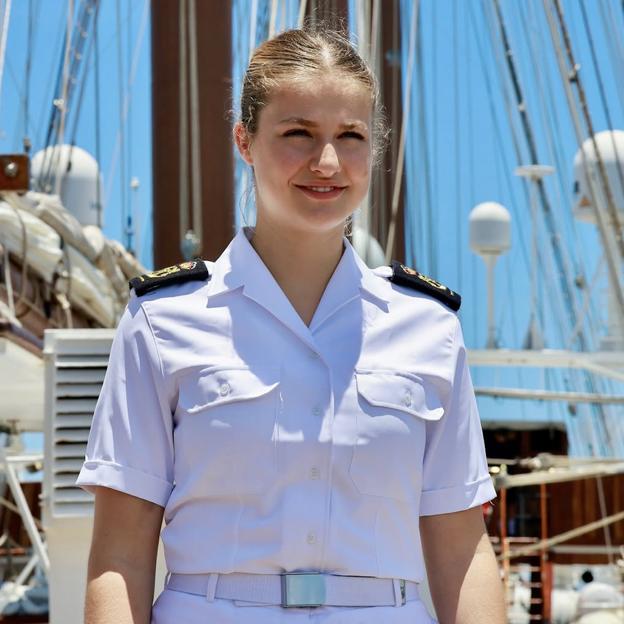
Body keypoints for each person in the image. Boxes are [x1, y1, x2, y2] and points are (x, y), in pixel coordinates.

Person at [78, 26, 506, 624]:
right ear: (244, 141)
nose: (326, 161)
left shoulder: (428, 326)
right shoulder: (162, 319)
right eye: (298, 133)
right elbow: (120, 554)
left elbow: (461, 548)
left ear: (373, 150)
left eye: (350, 136)